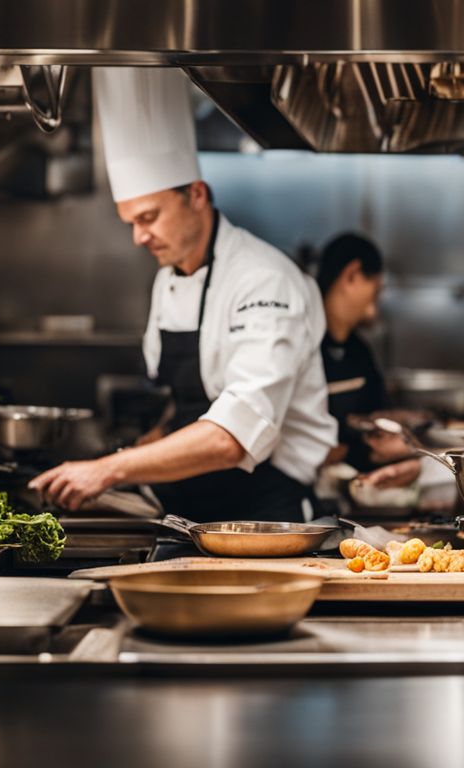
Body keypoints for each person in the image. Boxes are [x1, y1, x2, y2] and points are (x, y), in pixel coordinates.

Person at [30, 68, 337, 523]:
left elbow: (233, 436)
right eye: (130, 221)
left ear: (196, 194)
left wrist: (108, 469)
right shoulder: (169, 275)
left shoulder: (264, 280)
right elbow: (185, 406)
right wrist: (132, 454)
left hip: (266, 514)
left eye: (149, 217)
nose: (139, 237)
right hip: (189, 509)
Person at [308, 232, 404, 473]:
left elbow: (380, 419)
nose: (378, 295)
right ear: (352, 274)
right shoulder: (302, 342)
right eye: (376, 285)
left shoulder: (358, 350)